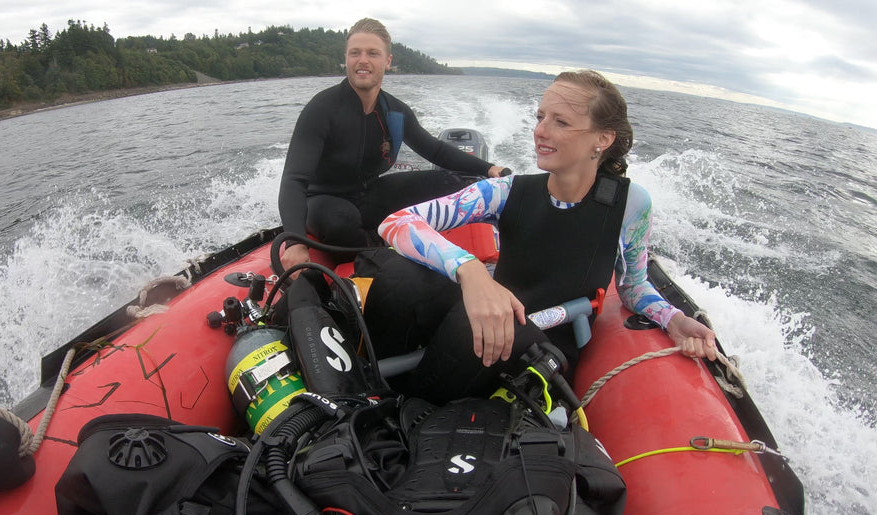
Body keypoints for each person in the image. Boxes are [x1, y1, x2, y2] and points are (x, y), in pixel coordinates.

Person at [361, 68, 717, 402]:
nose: (540, 131)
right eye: (540, 117)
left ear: (603, 139)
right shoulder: (506, 191)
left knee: (474, 326)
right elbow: (396, 222)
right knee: (401, 277)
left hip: (543, 349)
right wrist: (470, 272)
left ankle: (407, 406)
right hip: (488, 320)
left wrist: (674, 319)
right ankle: (376, 385)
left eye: (560, 122)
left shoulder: (630, 205)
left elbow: (633, 286)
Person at [278, 17, 505, 271]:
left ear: (387, 61)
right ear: (347, 59)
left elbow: (435, 150)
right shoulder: (321, 110)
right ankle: (391, 249)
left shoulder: (394, 112)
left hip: (370, 194)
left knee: (449, 183)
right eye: (355, 53)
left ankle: (400, 240)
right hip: (323, 200)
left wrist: (488, 169)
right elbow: (294, 180)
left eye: (373, 53)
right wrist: (295, 242)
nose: (363, 60)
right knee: (341, 222)